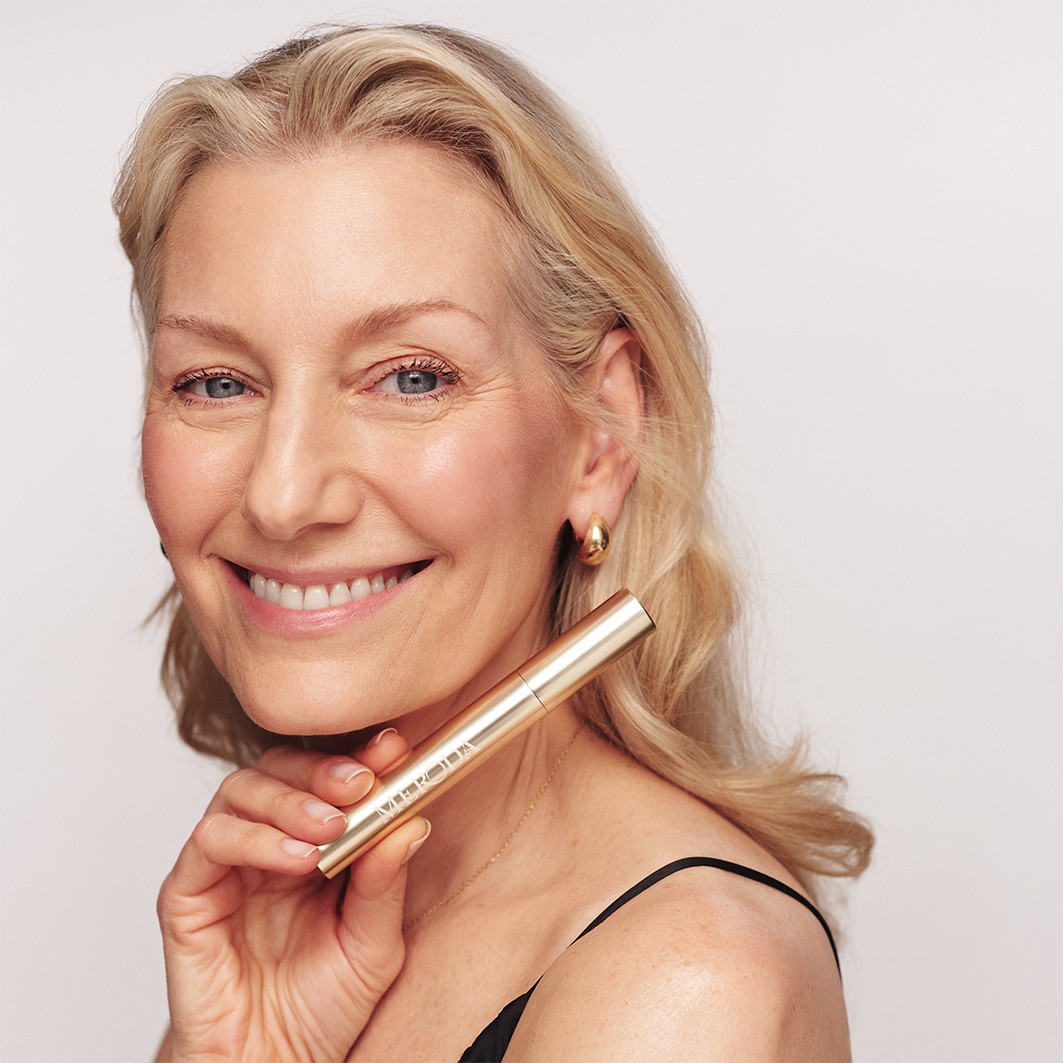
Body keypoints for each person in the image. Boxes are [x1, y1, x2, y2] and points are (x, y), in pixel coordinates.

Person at [114, 23, 873, 1061]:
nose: (282, 495)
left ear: (600, 436)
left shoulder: (683, 987)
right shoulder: (285, 950)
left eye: (410, 377)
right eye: (215, 383)